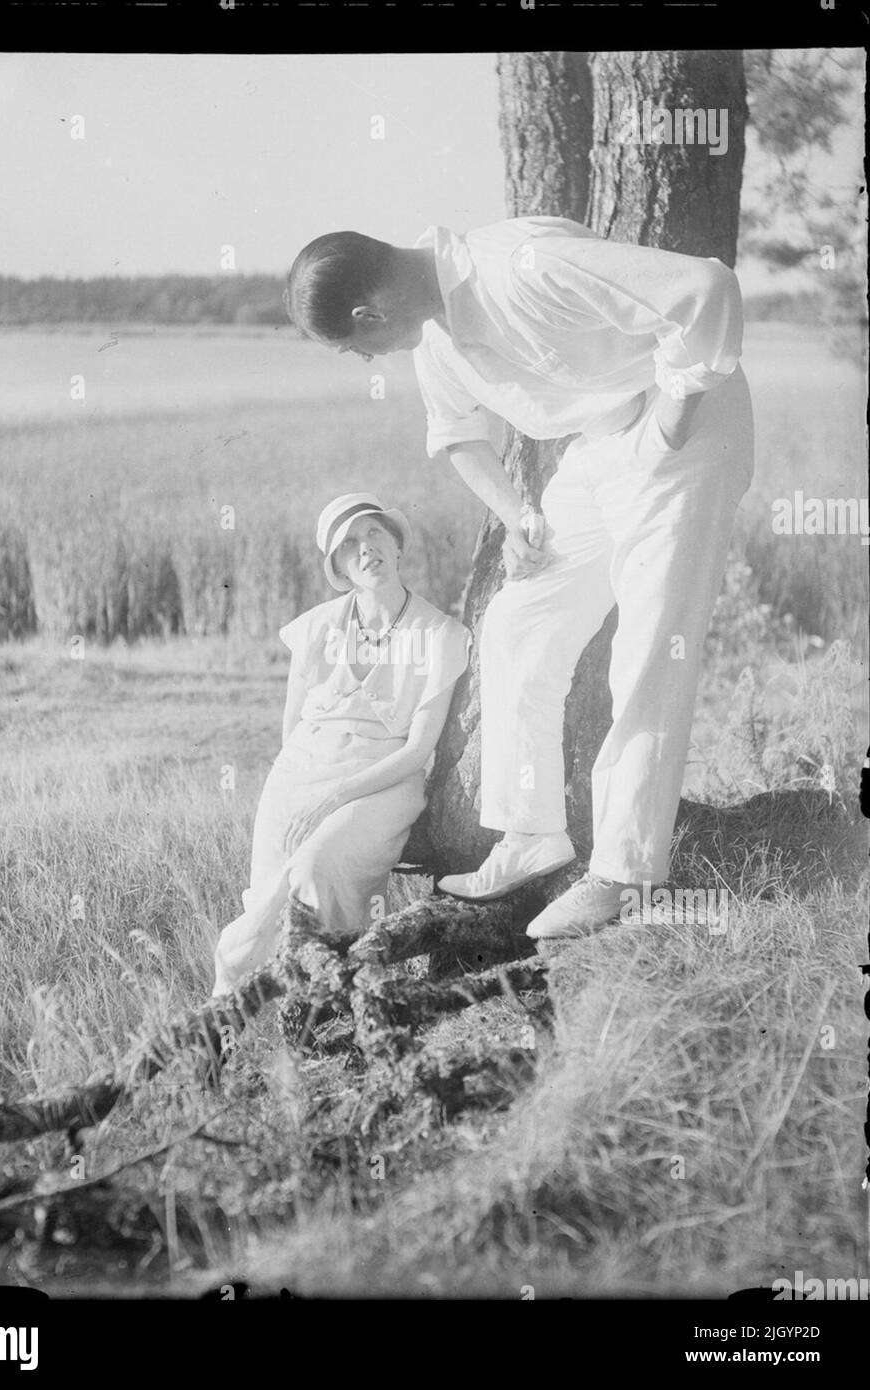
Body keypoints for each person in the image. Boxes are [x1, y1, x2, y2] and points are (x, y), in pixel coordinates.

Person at [285, 217, 754, 941]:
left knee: (650, 650)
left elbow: (704, 286)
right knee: (515, 625)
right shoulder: (436, 336)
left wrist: (673, 416)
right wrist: (519, 518)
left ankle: (623, 876)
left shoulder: (518, 266)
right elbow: (459, 436)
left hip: (679, 440)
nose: (363, 358)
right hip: (601, 450)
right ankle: (531, 835)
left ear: (368, 314)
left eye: (353, 348)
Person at [212, 491, 471, 995]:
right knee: (264, 909)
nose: (365, 548)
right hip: (300, 776)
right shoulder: (315, 629)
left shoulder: (439, 634)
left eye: (374, 532)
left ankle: (338, 998)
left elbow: (417, 752)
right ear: (340, 568)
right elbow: (291, 730)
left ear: (396, 546)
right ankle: (225, 1022)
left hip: (382, 781)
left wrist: (335, 797)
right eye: (349, 544)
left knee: (316, 869)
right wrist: (304, 791)